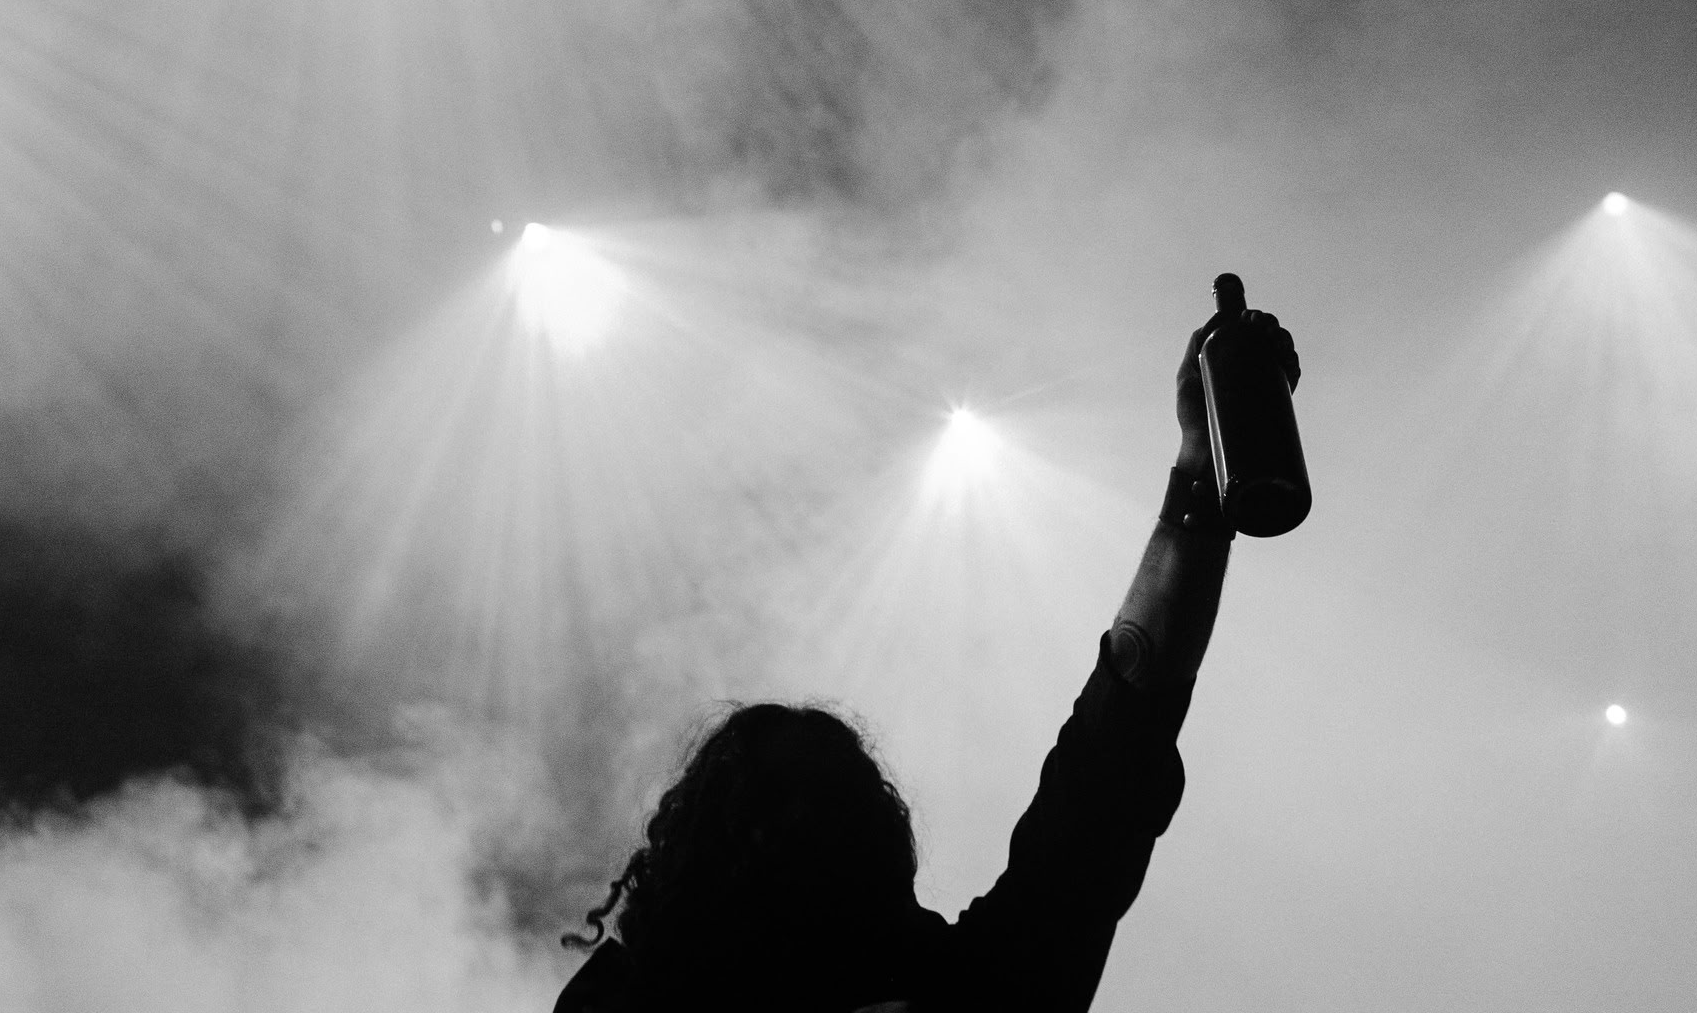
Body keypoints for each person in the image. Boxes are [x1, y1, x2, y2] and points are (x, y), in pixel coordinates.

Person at [553, 290, 1301, 1012]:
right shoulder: (972, 987)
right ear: (885, 850)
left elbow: (1106, 775)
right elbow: (1106, 773)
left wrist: (1203, 471)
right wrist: (1200, 475)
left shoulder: (624, 996)